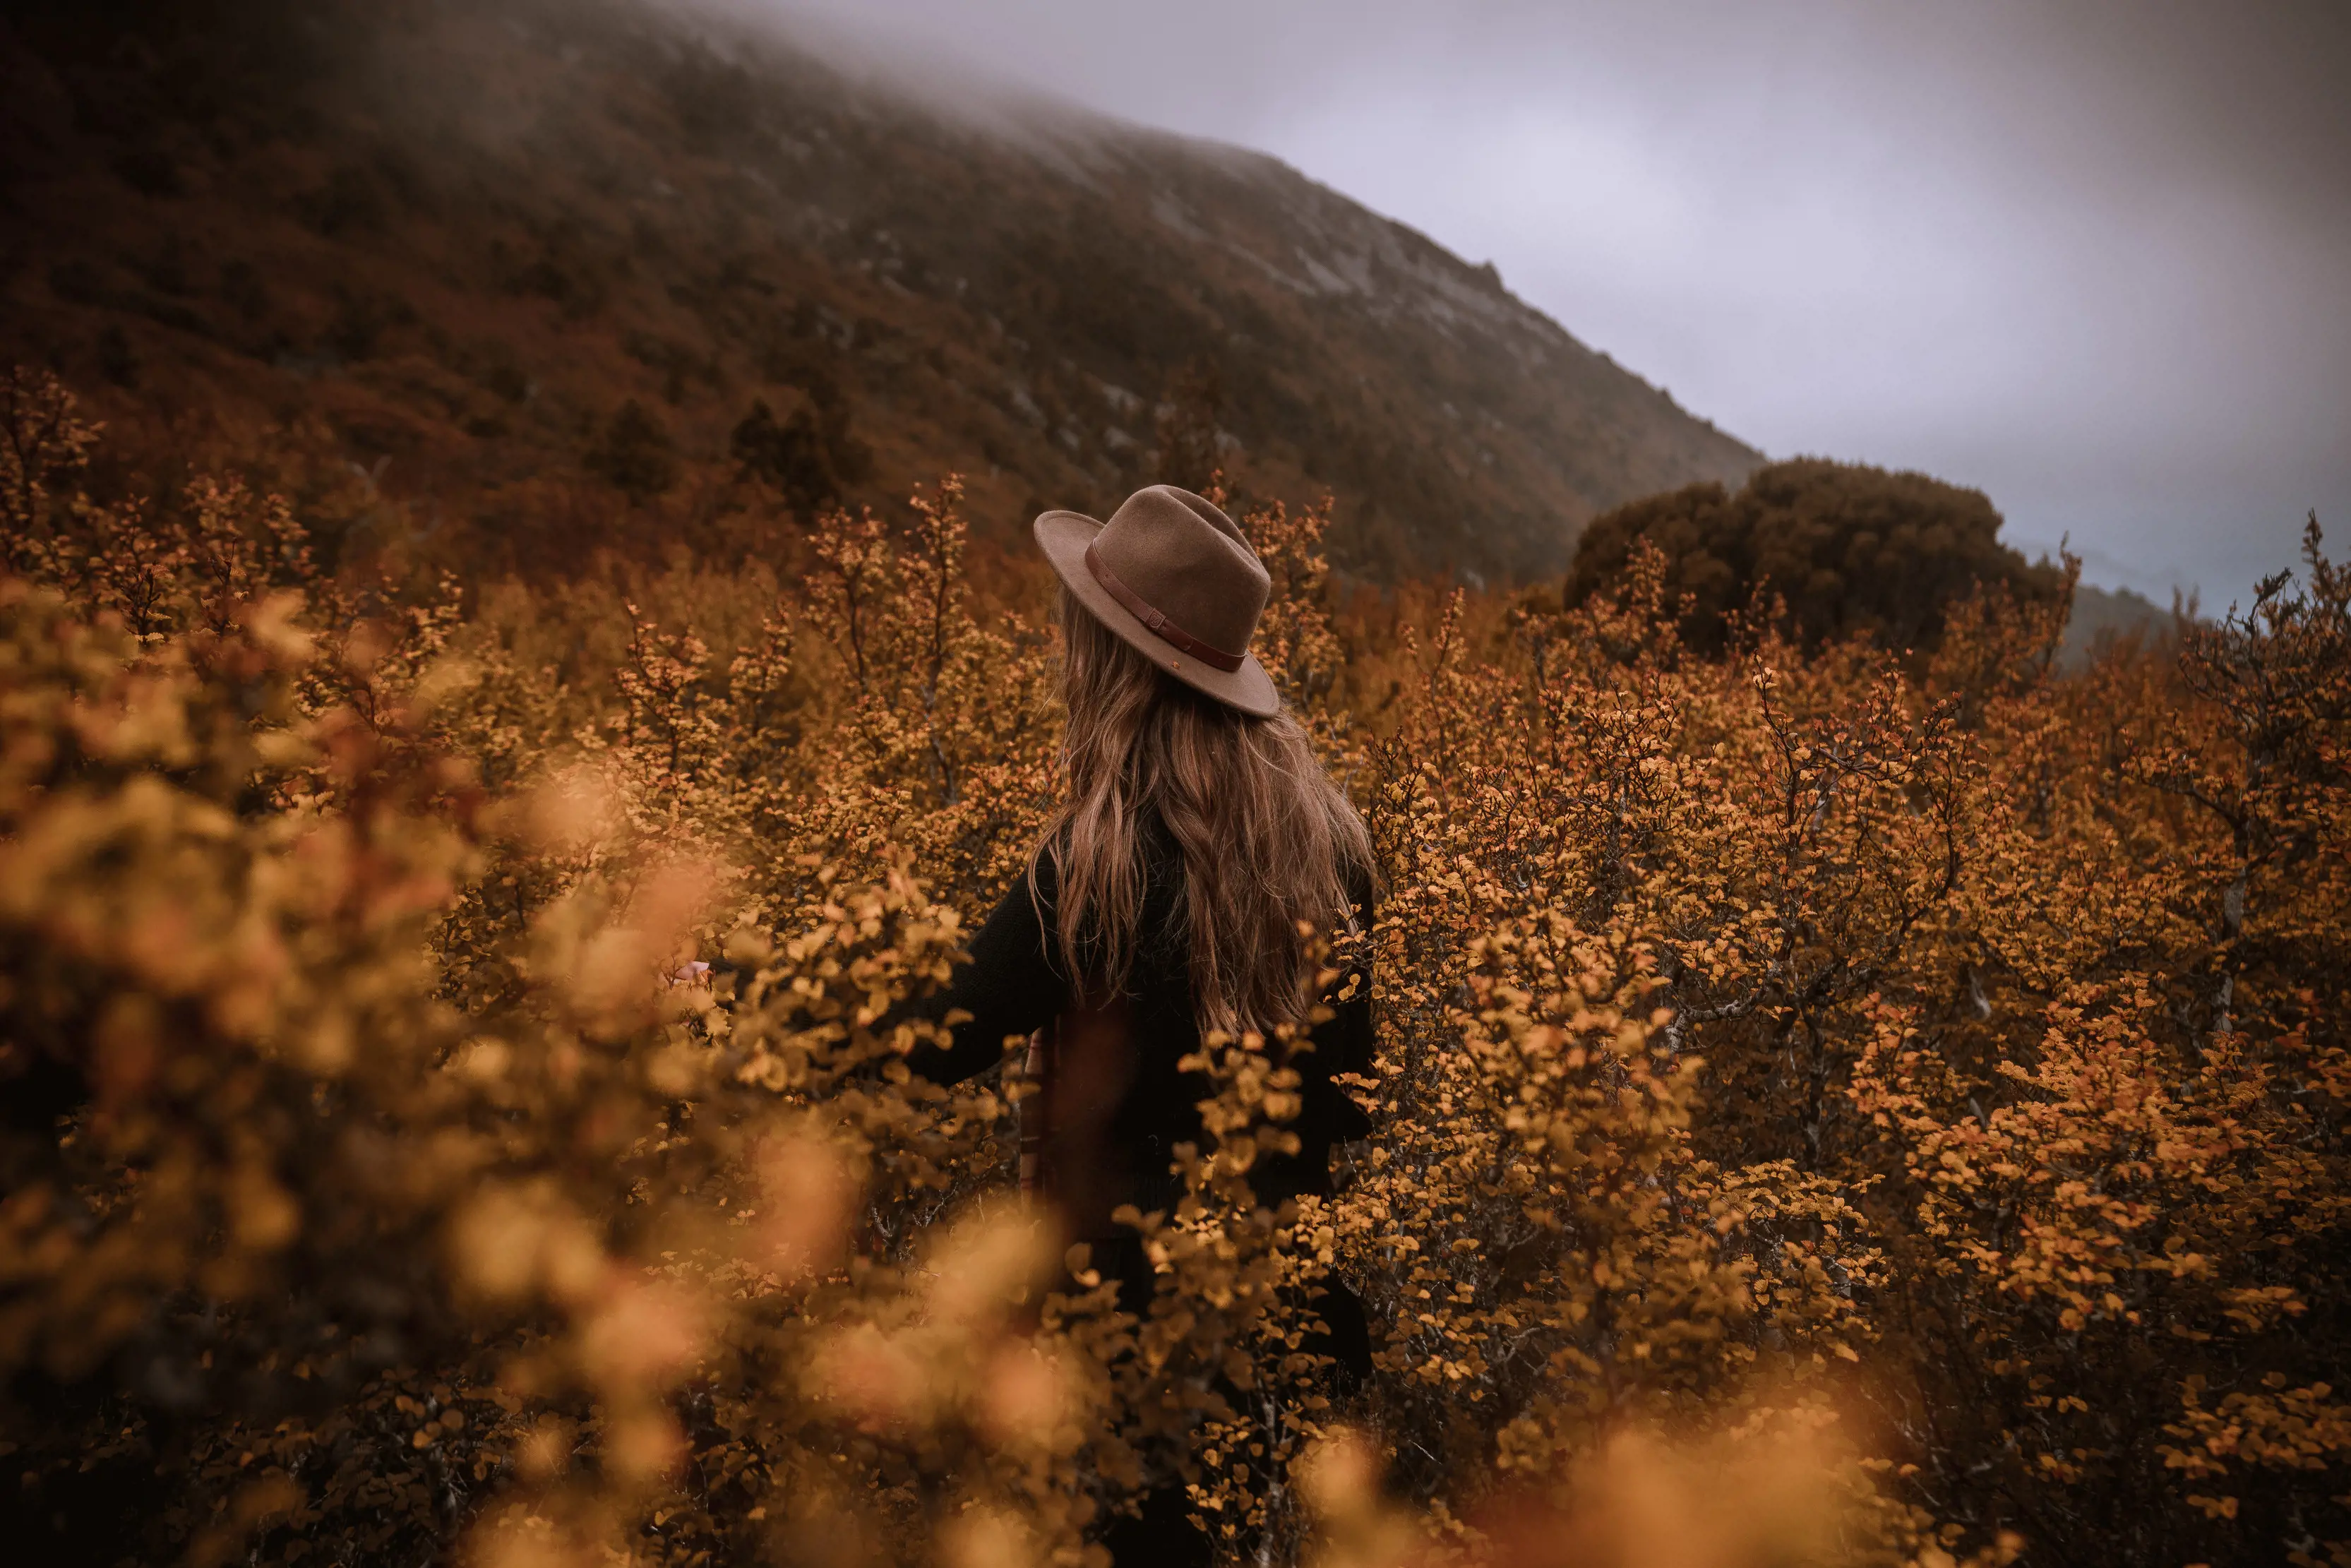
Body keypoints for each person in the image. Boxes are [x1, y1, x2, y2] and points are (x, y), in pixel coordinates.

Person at [906, 484, 1377, 1567]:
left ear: (1110, 660)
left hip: (1124, 1338)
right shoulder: (1334, 849)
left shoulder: (1095, 863)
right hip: (1286, 1315)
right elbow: (1352, 1095)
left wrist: (732, 1005)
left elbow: (939, 1034)